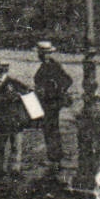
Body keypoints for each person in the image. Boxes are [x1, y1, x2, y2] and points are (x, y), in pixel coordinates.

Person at [0, 60, 31, 180]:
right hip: (4, 120)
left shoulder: (12, 83)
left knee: (14, 144)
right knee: (0, 143)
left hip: (14, 119)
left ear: (4, 69)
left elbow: (26, 92)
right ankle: (1, 167)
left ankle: (14, 169)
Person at [32, 41, 74, 178]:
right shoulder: (47, 65)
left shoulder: (53, 66)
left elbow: (68, 80)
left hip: (51, 103)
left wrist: (55, 91)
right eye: (40, 53)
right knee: (50, 129)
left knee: (51, 129)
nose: (40, 56)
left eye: (42, 53)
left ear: (47, 54)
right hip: (46, 102)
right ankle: (54, 159)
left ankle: (55, 160)